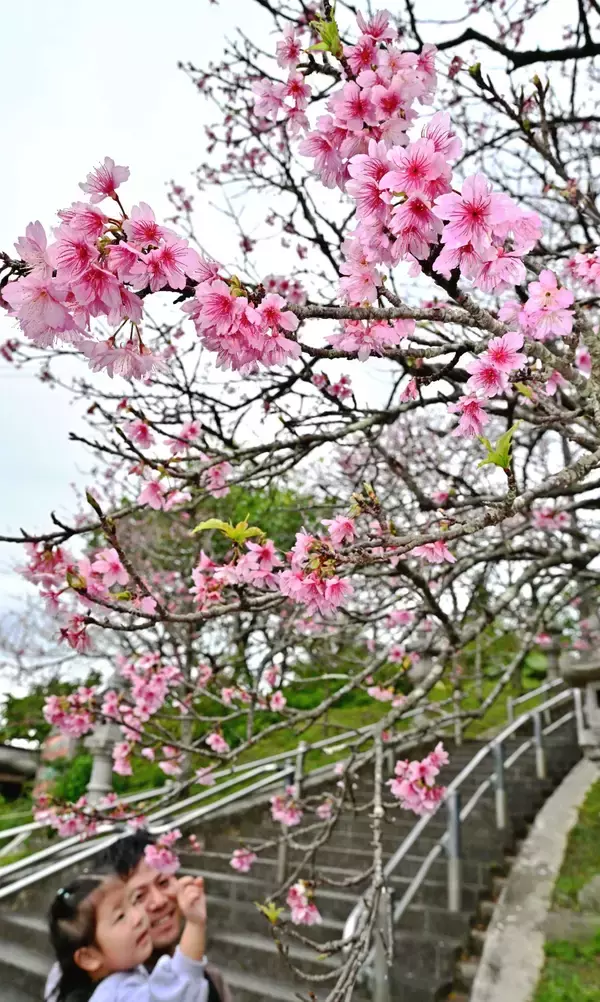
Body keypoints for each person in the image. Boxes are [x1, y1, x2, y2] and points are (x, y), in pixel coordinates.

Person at [45, 831, 231, 1002]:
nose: (159, 901)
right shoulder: (95, 990)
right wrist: (195, 925)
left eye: (164, 882)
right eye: (138, 897)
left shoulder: (209, 977)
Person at [47, 870, 209, 1002]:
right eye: (120, 917)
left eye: (133, 902)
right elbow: (177, 995)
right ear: (89, 957)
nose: (138, 917)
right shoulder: (117, 993)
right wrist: (195, 924)